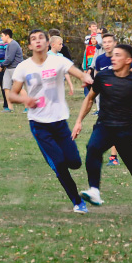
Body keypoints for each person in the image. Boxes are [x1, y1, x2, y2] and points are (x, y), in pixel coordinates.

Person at [72, 44, 132, 219]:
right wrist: (78, 122)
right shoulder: (103, 77)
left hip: (127, 130)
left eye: (117, 55)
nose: (112, 58)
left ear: (128, 60)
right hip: (104, 126)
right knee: (93, 148)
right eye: (112, 55)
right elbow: (90, 99)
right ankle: (94, 190)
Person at [9, 29, 94, 214]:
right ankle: (78, 202)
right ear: (30, 45)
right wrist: (25, 100)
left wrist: (86, 77)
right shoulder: (23, 67)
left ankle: (62, 165)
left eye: (41, 38)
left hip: (60, 122)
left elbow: (77, 73)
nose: (38, 41)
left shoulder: (58, 60)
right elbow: (12, 95)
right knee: (60, 165)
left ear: (48, 43)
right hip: (39, 124)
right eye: (33, 39)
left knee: (75, 162)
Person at [94, 33, 120, 166]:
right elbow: (97, 78)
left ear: (115, 43)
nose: (107, 44)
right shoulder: (99, 60)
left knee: (117, 129)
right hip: (104, 100)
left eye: (110, 41)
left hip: (120, 100)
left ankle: (114, 156)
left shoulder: (121, 57)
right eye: (105, 42)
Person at [0, 28, 27, 112]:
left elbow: (10, 59)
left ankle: (27, 106)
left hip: (16, 69)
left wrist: (1, 65)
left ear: (7, 36)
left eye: (2, 36)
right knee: (6, 87)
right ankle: (10, 108)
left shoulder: (13, 44)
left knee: (20, 88)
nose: (1, 38)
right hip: (9, 69)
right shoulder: (9, 45)